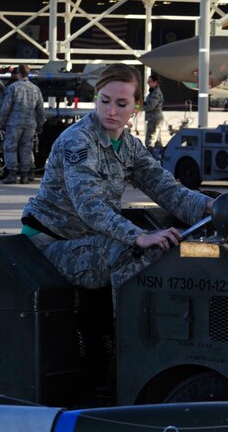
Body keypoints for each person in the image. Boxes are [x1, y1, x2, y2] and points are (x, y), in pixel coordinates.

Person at [21, 63, 212, 313]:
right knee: (132, 252)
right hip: (49, 244)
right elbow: (90, 206)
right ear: (96, 98)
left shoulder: (129, 145)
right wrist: (138, 236)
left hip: (85, 240)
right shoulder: (78, 141)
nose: (111, 111)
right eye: (105, 101)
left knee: (176, 244)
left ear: (136, 106)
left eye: (121, 104)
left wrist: (211, 205)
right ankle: (130, 335)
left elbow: (165, 188)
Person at [0, 63, 45, 184]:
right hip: (30, 124)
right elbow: (40, 109)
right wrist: (40, 125)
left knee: (10, 147)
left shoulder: (13, 87)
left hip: (14, 123)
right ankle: (25, 175)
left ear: (18, 73)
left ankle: (12, 174)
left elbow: (6, 107)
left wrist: (1, 123)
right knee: (26, 148)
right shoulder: (35, 89)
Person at [143, 74, 164, 149]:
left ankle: (150, 154)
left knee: (150, 140)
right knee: (157, 141)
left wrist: (140, 108)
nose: (148, 84)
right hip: (153, 119)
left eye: (150, 82)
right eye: (147, 82)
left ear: (155, 82)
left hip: (154, 119)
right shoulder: (153, 92)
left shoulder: (156, 93)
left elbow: (151, 106)